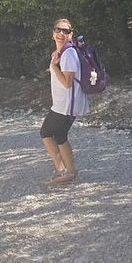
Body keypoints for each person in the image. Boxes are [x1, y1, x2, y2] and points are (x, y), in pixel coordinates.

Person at [40, 17, 88, 185]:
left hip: (66, 105)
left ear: (71, 34)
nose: (61, 33)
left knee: (45, 132)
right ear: (53, 33)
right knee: (60, 135)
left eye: (65, 31)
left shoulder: (68, 54)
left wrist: (53, 67)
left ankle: (60, 170)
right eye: (58, 30)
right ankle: (71, 173)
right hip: (66, 104)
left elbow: (68, 83)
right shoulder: (61, 52)